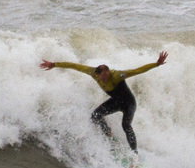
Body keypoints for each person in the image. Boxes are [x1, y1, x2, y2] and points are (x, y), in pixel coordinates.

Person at [39, 50, 168, 152]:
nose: (105, 79)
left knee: (126, 125)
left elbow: (137, 70)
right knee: (95, 116)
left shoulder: (117, 75)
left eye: (107, 76)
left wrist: (156, 64)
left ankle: (134, 154)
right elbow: (74, 66)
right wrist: (54, 64)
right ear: (98, 75)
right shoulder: (92, 72)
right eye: (103, 77)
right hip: (116, 101)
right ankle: (109, 136)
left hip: (129, 103)